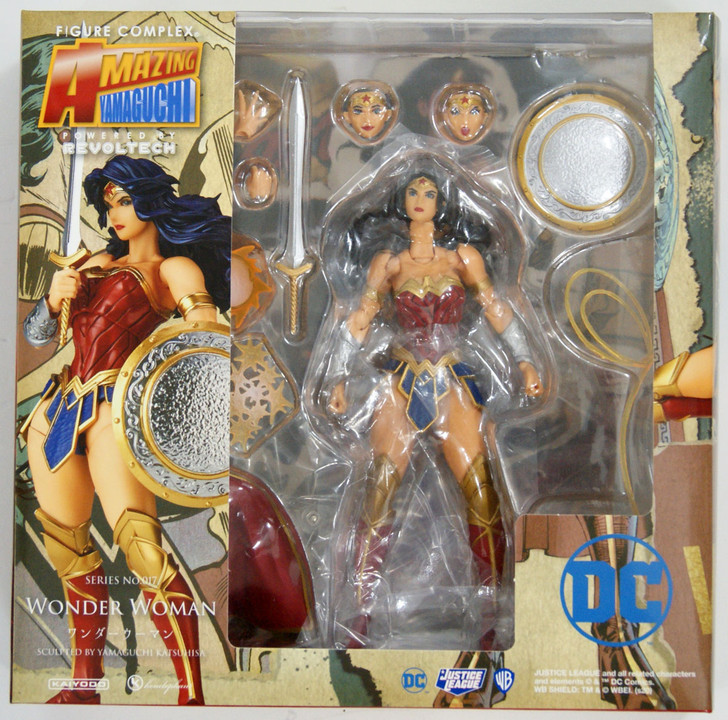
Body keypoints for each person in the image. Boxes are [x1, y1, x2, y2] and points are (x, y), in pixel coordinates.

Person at [21, 155, 230, 705]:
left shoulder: (172, 269)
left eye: (125, 200)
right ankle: (84, 686)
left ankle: (191, 696)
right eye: (108, 202)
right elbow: (39, 335)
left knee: (143, 551)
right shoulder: (92, 262)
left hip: (118, 409)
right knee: (69, 553)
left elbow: (204, 342)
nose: (115, 212)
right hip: (58, 411)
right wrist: (53, 298)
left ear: (151, 201)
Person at [326, 162, 542, 648]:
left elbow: (496, 307)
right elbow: (360, 318)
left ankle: (493, 611)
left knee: (481, 493)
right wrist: (337, 374)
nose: (420, 198)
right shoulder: (388, 263)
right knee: (378, 491)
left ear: (442, 203)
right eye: (412, 191)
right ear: (402, 202)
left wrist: (525, 361)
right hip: (402, 377)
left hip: (452, 375)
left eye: (428, 192)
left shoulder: (462, 258)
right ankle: (358, 614)